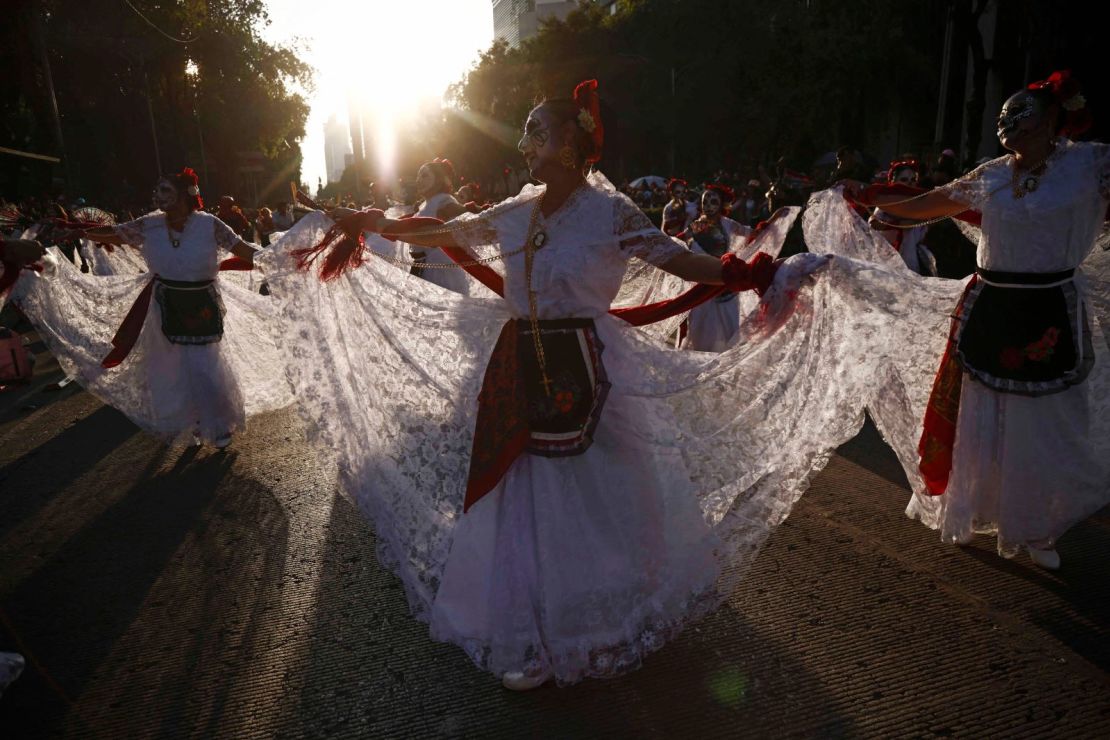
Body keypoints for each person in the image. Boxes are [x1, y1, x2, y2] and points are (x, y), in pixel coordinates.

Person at [261, 79, 831, 691]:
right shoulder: (517, 209)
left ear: (572, 143)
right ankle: (530, 632)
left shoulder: (612, 213)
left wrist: (754, 272)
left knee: (599, 492)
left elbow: (675, 258)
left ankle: (603, 618)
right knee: (523, 493)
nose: (525, 141)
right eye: (526, 129)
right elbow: (449, 234)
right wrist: (379, 225)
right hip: (519, 366)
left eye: (539, 130)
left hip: (591, 368)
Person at [845, 71, 1109, 569]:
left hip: (1049, 308)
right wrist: (869, 197)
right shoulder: (991, 174)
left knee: (1043, 423)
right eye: (1008, 126)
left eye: (1025, 123)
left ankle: (1038, 529)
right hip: (989, 305)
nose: (1013, 133)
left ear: (1054, 120)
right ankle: (971, 511)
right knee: (982, 417)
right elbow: (929, 204)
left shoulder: (1092, 165)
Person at [12, 168, 292, 447]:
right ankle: (193, 420)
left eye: (166, 191)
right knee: (175, 368)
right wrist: (79, 230)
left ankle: (219, 423)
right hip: (165, 305)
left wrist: (285, 262)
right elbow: (116, 234)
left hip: (203, 304)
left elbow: (244, 250)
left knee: (206, 365)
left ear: (186, 194)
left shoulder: (210, 224)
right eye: (157, 191)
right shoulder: (150, 224)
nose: (159, 196)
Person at [680, 184, 753, 351]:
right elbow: (676, 243)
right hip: (700, 288)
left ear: (721, 205)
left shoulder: (729, 225)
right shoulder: (696, 226)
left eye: (713, 202)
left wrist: (774, 220)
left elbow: (753, 235)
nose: (708, 206)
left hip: (725, 287)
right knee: (700, 333)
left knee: (731, 333)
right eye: (705, 201)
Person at [405, 159, 473, 294]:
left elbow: (464, 213)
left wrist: (474, 209)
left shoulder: (443, 200)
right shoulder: (423, 204)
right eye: (418, 176)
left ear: (439, 180)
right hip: (421, 268)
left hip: (439, 272)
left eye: (425, 176)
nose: (419, 180)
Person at [868, 158, 937, 276]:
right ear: (893, 181)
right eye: (904, 179)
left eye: (913, 179)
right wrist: (898, 224)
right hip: (886, 258)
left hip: (910, 261)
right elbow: (873, 223)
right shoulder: (887, 202)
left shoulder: (920, 203)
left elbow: (923, 231)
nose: (910, 183)